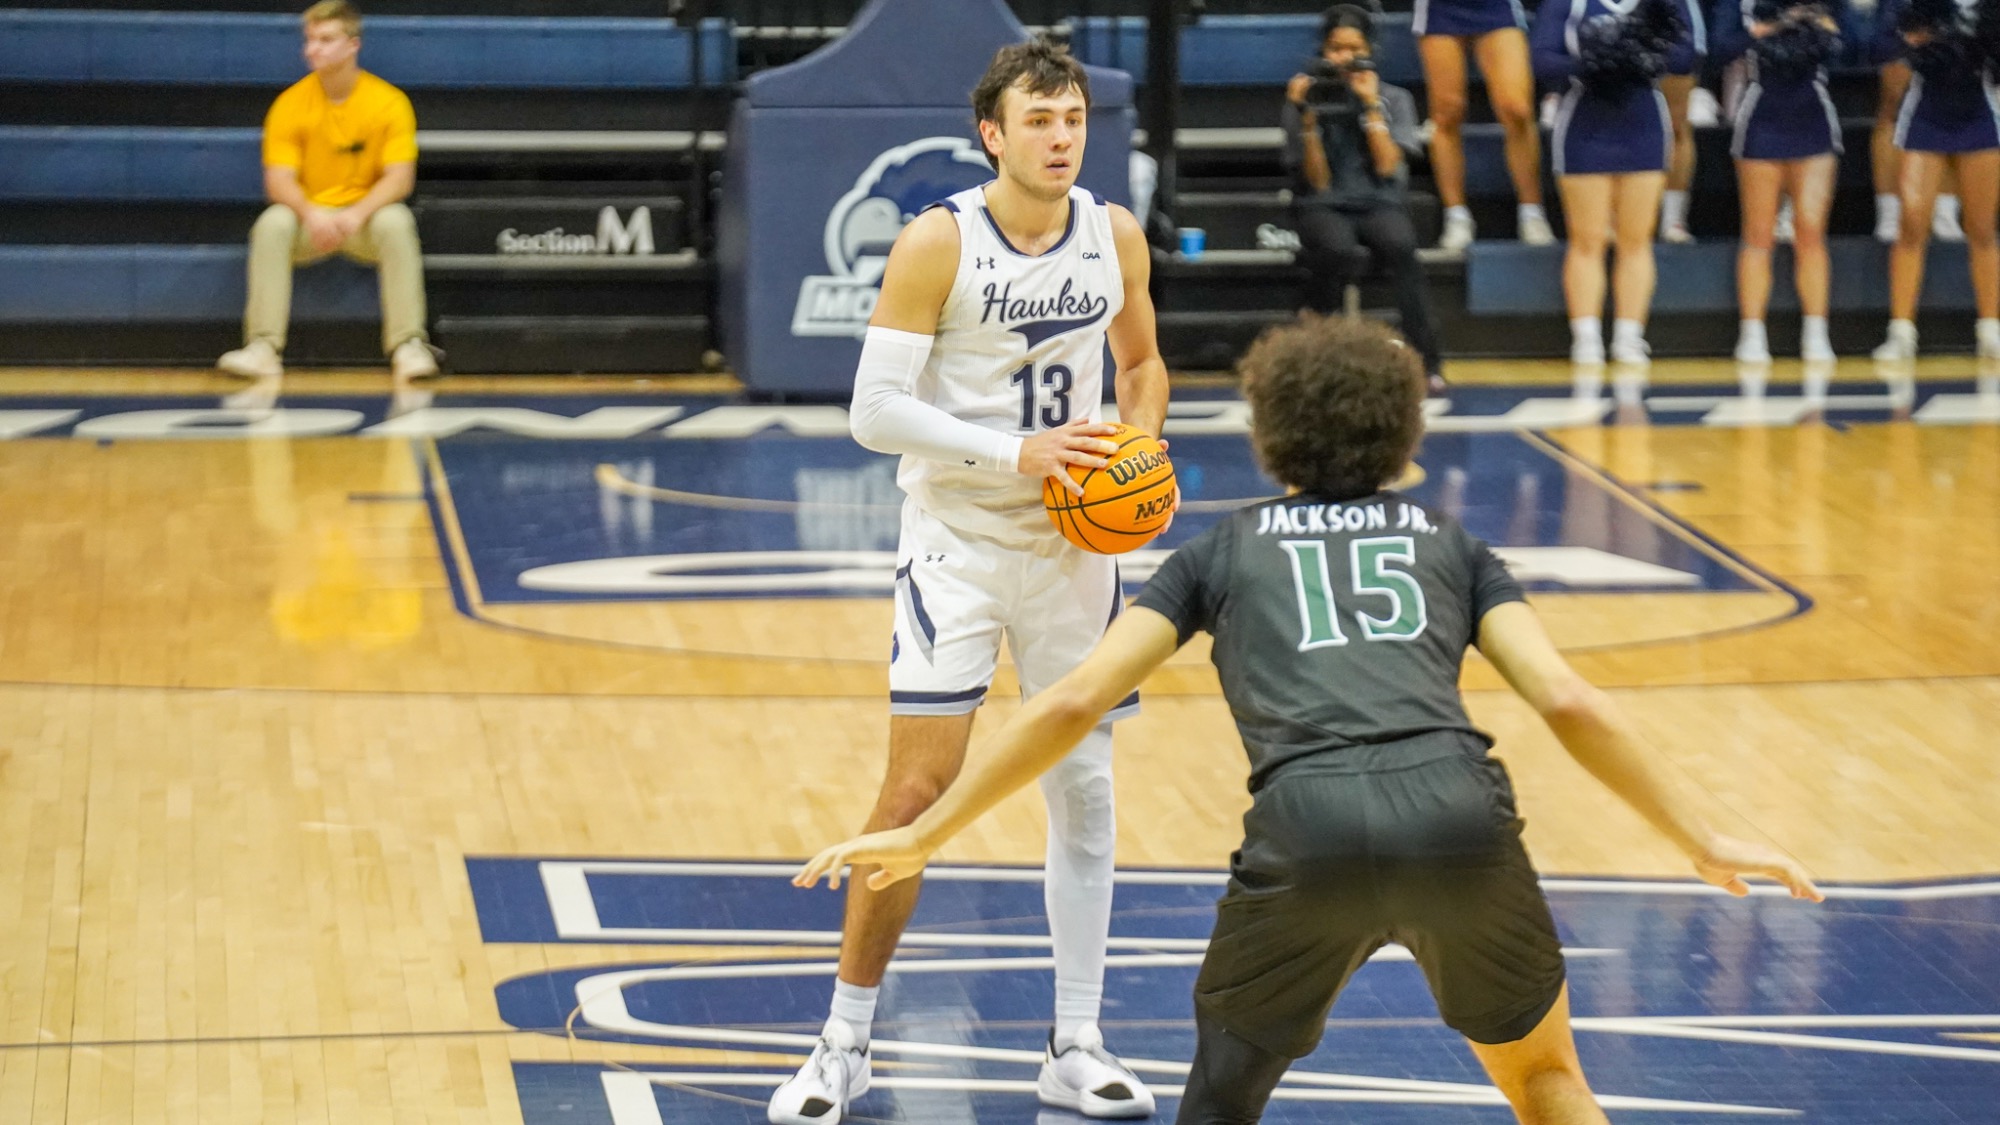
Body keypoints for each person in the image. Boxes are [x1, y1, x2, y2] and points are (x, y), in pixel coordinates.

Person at [795, 314, 1824, 1125]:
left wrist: (929, 830)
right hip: (1459, 817)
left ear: (1269, 433)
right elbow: (1566, 699)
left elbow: (1069, 701)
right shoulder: (1451, 546)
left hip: (1306, 831)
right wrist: (1700, 836)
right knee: (1546, 1077)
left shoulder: (1218, 553)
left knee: (1219, 1101)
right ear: (1404, 436)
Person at [766, 39, 1173, 1125]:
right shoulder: (936, 241)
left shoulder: (1114, 234)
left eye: (1073, 118)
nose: (1061, 137)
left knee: (1085, 791)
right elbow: (873, 412)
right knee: (915, 795)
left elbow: (1140, 364)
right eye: (1039, 119)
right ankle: (843, 1043)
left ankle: (1075, 1043)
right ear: (992, 135)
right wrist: (1016, 453)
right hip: (956, 540)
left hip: (1073, 550)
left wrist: (1138, 443)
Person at [216, 0, 437, 381]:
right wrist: (312, 214)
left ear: (353, 45)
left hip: (362, 222)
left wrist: (355, 214)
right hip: (311, 223)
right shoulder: (290, 103)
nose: (312, 49)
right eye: (309, 40)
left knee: (397, 221)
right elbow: (278, 180)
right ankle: (263, 347)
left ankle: (408, 345)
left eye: (325, 39)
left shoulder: (389, 103)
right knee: (272, 224)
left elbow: (400, 179)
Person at [1283, 6, 1448, 386]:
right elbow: (1317, 181)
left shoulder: (1395, 98)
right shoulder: (1303, 97)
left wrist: (1371, 106)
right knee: (1335, 248)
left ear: (1370, 51)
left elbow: (1388, 167)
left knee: (1400, 245)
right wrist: (1307, 118)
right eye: (1336, 48)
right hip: (1322, 203)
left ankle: (1427, 361)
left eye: (1354, 49)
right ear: (1323, 51)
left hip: (1378, 200)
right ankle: (1316, 359)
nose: (1344, 58)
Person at [1533, 0, 1699, 365]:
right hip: (1584, 125)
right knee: (1587, 239)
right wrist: (1592, 63)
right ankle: (1586, 338)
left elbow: (1686, 55)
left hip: (1644, 126)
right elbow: (1542, 58)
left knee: (1636, 240)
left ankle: (1629, 337)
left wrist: (1636, 54)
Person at [1712, 0, 1846, 361]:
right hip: (1761, 118)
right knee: (1758, 234)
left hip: (1813, 119)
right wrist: (1768, 27)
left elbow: (1851, 43)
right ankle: (1752, 334)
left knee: (1810, 233)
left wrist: (1816, 20)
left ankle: (1816, 333)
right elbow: (1720, 47)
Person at [1869, 0, 2000, 360]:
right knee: (1912, 225)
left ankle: (1991, 329)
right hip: (1926, 115)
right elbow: (1881, 45)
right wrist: (1917, 37)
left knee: (1982, 227)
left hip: (1979, 115)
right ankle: (1901, 332)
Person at [1411, 0, 1557, 248]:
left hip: (1496, 7)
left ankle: (1532, 212)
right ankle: (1456, 215)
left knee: (1516, 109)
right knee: (1447, 112)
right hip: (1439, 9)